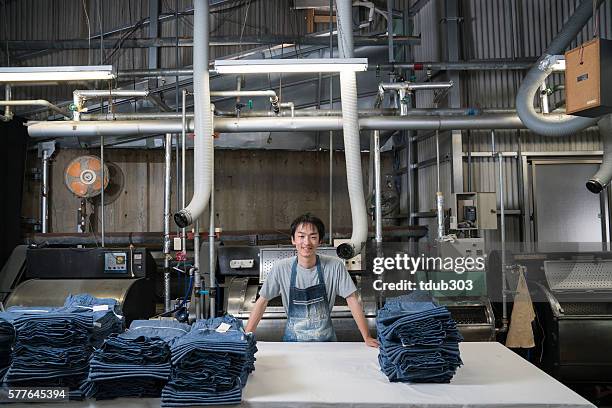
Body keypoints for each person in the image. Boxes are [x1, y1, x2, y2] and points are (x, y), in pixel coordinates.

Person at [245, 213, 379, 347]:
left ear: (320, 241)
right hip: (293, 344)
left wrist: (366, 337)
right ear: (293, 240)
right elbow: (262, 302)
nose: (307, 242)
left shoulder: (335, 266)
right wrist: (247, 337)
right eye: (301, 236)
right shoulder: (281, 268)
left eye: (313, 237)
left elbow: (352, 300)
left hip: (327, 344)